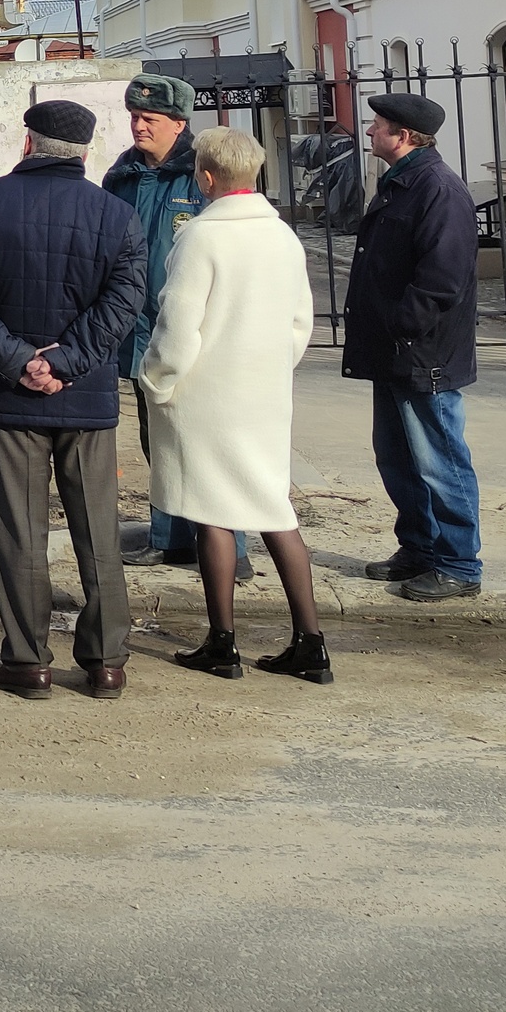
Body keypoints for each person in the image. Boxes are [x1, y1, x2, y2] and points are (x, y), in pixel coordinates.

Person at [0, 99, 147, 699]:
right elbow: (123, 305)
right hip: (85, 401)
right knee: (97, 532)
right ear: (84, 153)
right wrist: (63, 362)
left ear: (27, 143)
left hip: (10, 399)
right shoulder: (116, 216)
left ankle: (28, 661)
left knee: (19, 533)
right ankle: (107, 660)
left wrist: (20, 361)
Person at [139, 126, 332, 683]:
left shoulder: (200, 237)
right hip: (263, 391)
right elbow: (301, 323)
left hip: (205, 393)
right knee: (273, 508)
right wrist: (269, 366)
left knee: (212, 512)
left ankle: (222, 644)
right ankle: (310, 643)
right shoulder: (283, 237)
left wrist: (158, 381)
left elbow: (177, 326)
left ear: (205, 177)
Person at [103, 73, 250, 579]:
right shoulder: (122, 175)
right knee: (158, 438)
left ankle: (235, 549)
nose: (139, 126)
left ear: (179, 124)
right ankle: (171, 537)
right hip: (141, 327)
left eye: (150, 119)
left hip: (197, 327)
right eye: (135, 117)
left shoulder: (201, 174)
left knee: (209, 440)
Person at [341, 92, 483, 602]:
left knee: (440, 459)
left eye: (377, 127)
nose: (370, 133)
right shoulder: (403, 182)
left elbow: (442, 280)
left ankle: (459, 564)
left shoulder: (437, 188)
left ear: (402, 136)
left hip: (425, 356)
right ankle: (420, 547)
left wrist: (403, 328)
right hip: (393, 351)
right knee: (397, 457)